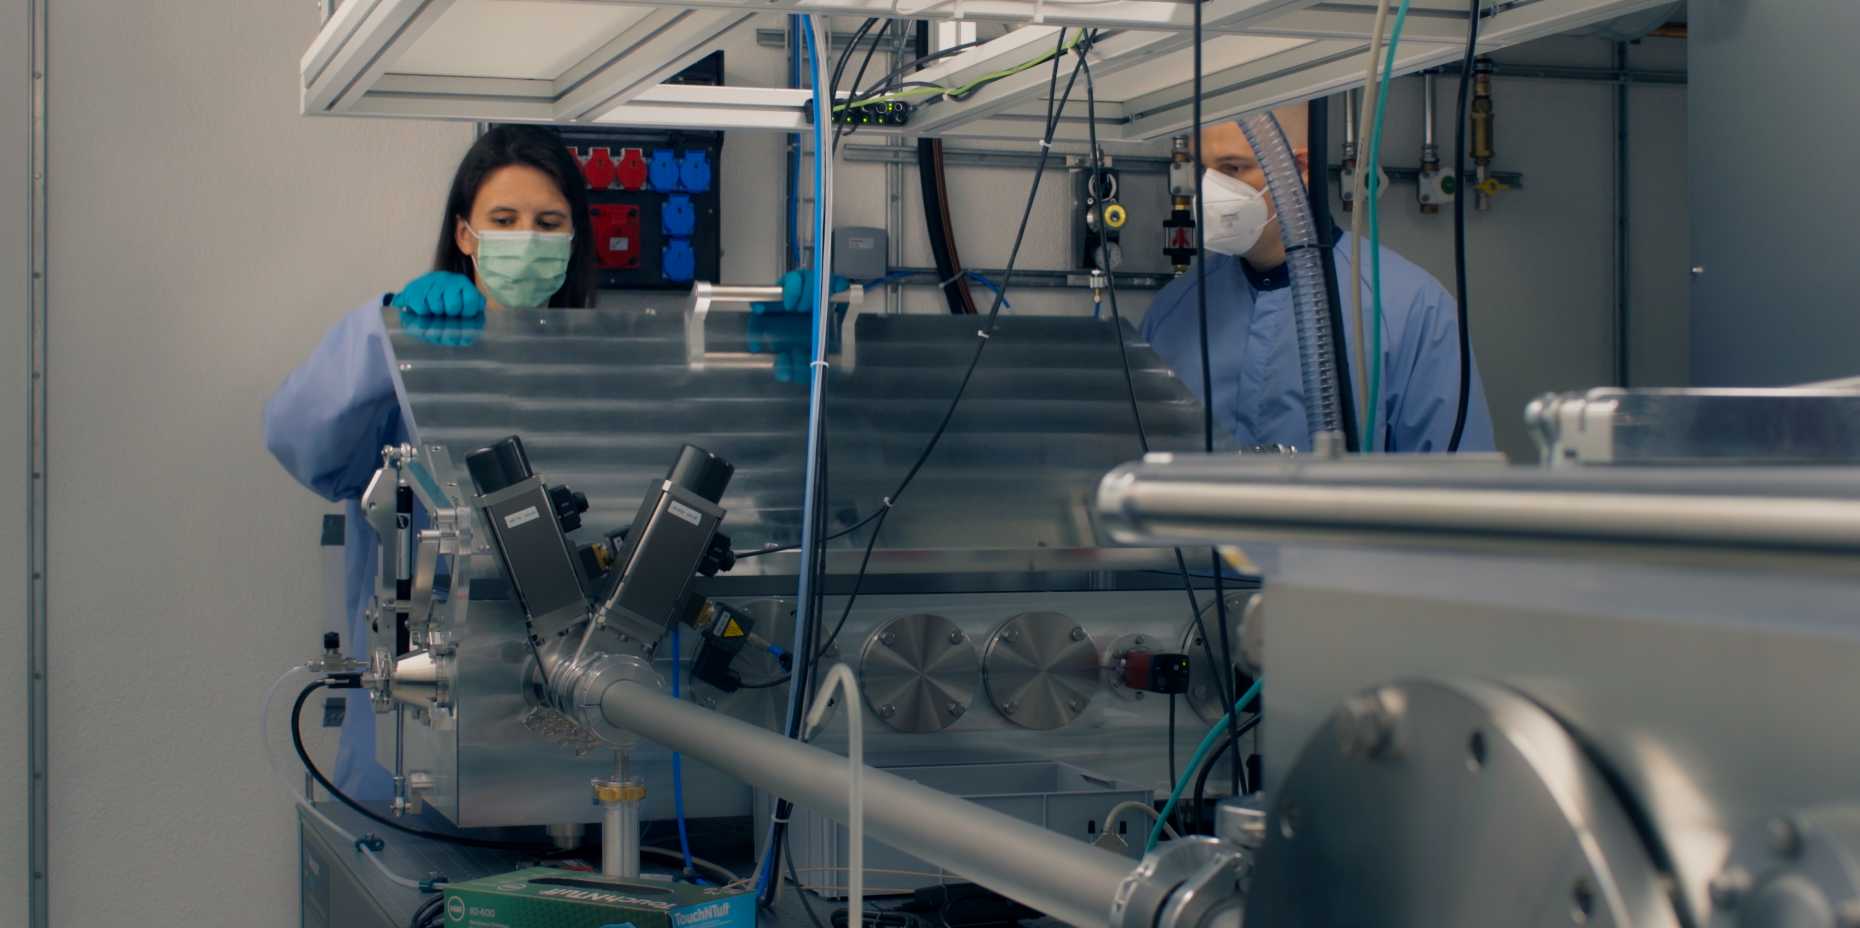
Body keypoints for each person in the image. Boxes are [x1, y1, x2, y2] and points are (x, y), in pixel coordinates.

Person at [263, 125, 599, 798]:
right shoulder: (407, 370)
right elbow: (301, 439)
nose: (526, 239)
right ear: (466, 235)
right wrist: (383, 333)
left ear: (573, 239)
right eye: (503, 220)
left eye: (548, 222)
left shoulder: (600, 372)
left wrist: (792, 343)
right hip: (412, 728)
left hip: (571, 723)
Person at [1141, 110, 1495, 453]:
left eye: (1233, 168)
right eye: (1202, 169)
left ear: (1299, 169)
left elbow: (1453, 490)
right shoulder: (1176, 310)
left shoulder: (1410, 310)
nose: (1211, 190)